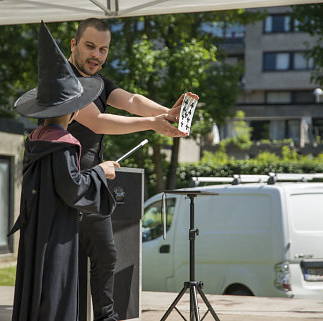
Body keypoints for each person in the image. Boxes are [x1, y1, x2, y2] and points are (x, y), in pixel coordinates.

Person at [66, 18, 199, 321]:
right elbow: (98, 121)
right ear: (73, 45)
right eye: (89, 46)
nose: (96, 55)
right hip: (65, 182)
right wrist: (153, 125)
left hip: (92, 182)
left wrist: (167, 113)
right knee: (73, 264)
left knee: (105, 256)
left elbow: (131, 100)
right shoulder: (64, 81)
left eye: (103, 49)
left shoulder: (99, 81)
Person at [9, 21, 120, 321]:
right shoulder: (63, 143)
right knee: (57, 295)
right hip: (57, 235)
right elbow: (72, 188)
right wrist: (102, 172)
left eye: (103, 49)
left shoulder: (37, 139)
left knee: (39, 290)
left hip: (39, 233)